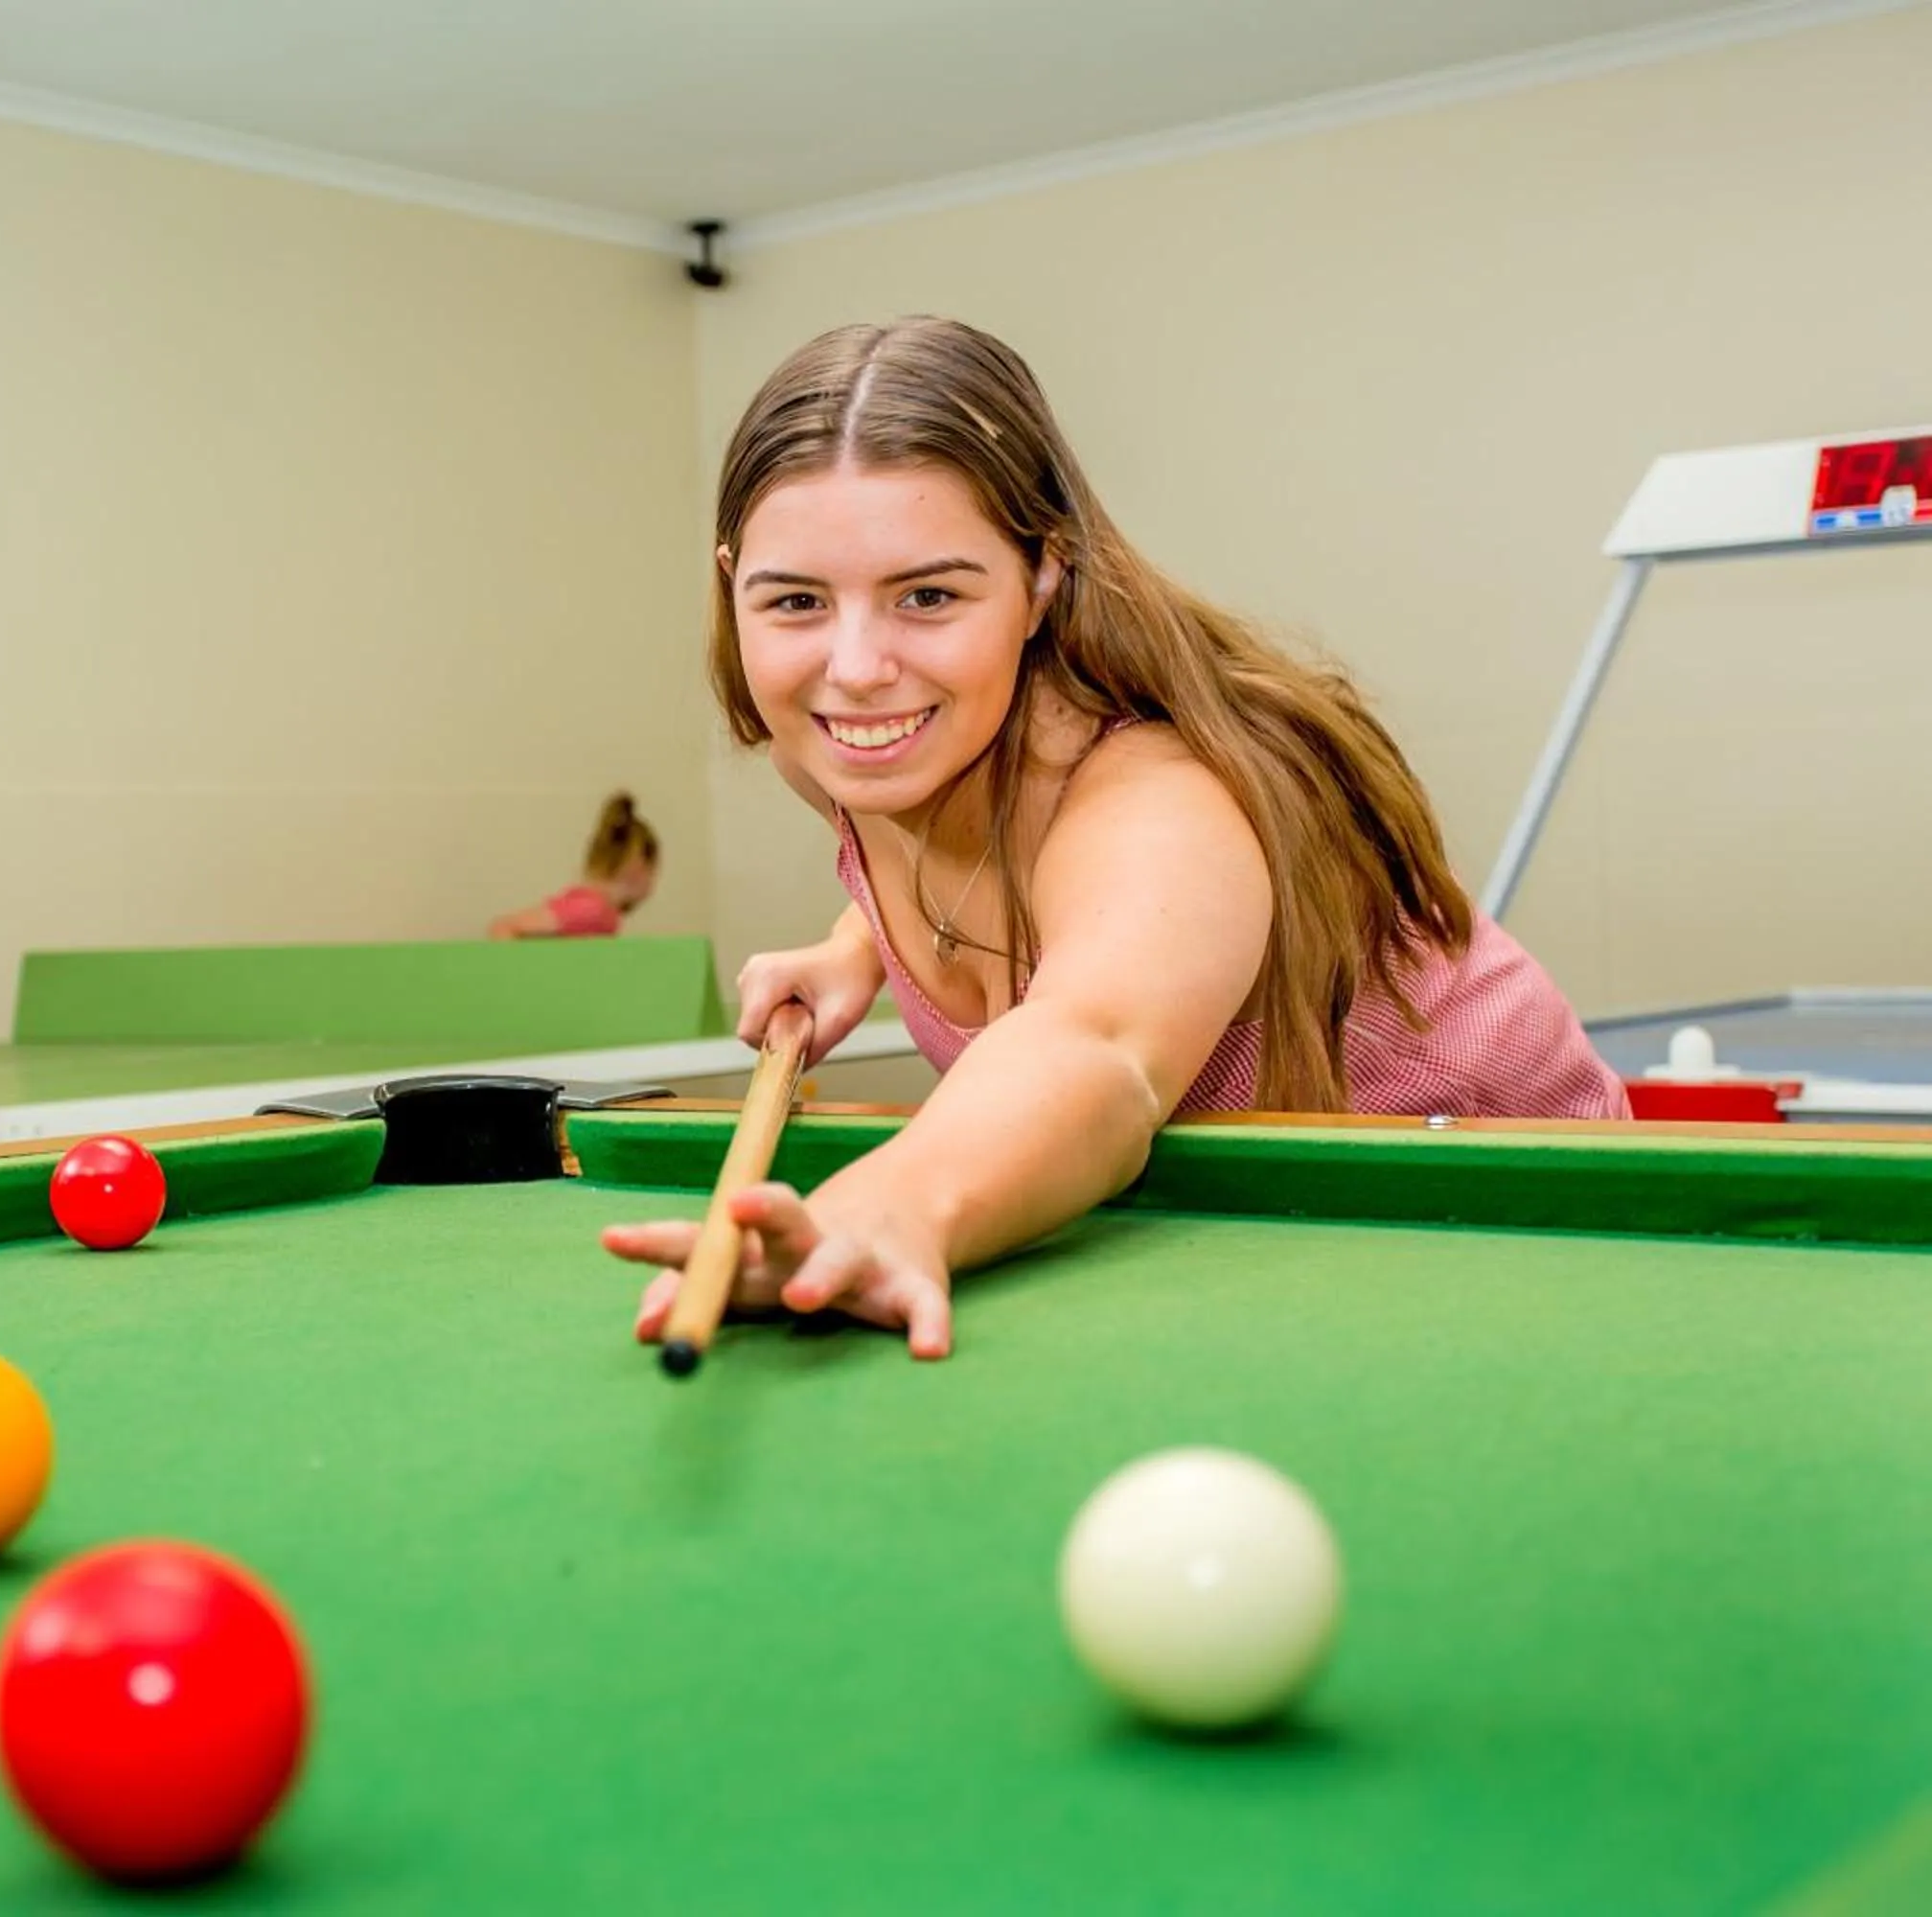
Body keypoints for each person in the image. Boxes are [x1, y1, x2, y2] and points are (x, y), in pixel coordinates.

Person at [608, 318, 1622, 1360]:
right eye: (796, 600)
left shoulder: (1156, 799)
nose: (857, 665)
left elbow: (1096, 1047)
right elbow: (956, 857)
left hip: (1527, 1226)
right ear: (734, 582)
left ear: (1043, 576)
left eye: (928, 595)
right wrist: (855, 942)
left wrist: (890, 1208)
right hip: (1250, 1247)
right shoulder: (844, 752)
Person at [487, 793, 660, 938]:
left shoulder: (603, 914)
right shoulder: (592, 911)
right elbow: (504, 927)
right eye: (653, 871)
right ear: (638, 867)